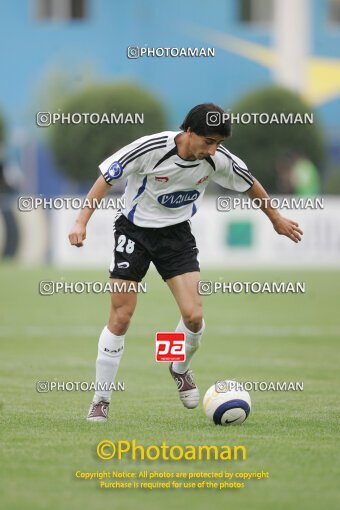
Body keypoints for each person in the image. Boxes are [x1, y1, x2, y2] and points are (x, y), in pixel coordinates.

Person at [68, 103, 303, 422]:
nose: (214, 149)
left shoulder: (217, 160)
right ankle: (101, 400)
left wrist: (276, 219)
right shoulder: (153, 148)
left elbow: (250, 184)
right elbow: (105, 179)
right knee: (121, 316)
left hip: (176, 236)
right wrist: (81, 222)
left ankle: (178, 367)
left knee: (193, 316)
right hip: (133, 231)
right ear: (189, 132)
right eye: (209, 141)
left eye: (219, 143)